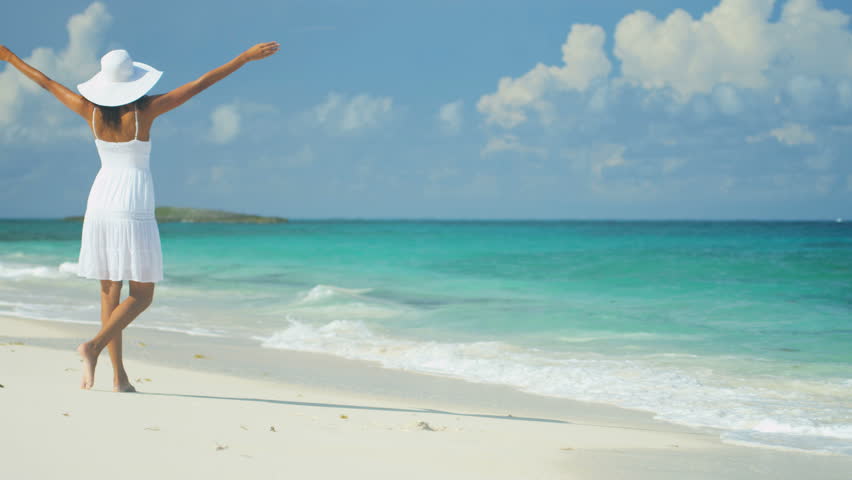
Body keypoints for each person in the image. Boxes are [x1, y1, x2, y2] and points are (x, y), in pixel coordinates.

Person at [0, 41, 280, 392]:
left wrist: (10, 58)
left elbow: (46, 83)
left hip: (101, 199)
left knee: (109, 294)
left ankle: (119, 379)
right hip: (131, 200)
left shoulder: (90, 111)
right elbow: (201, 83)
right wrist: (243, 58)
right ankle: (94, 346)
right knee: (143, 294)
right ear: (133, 81)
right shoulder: (146, 110)